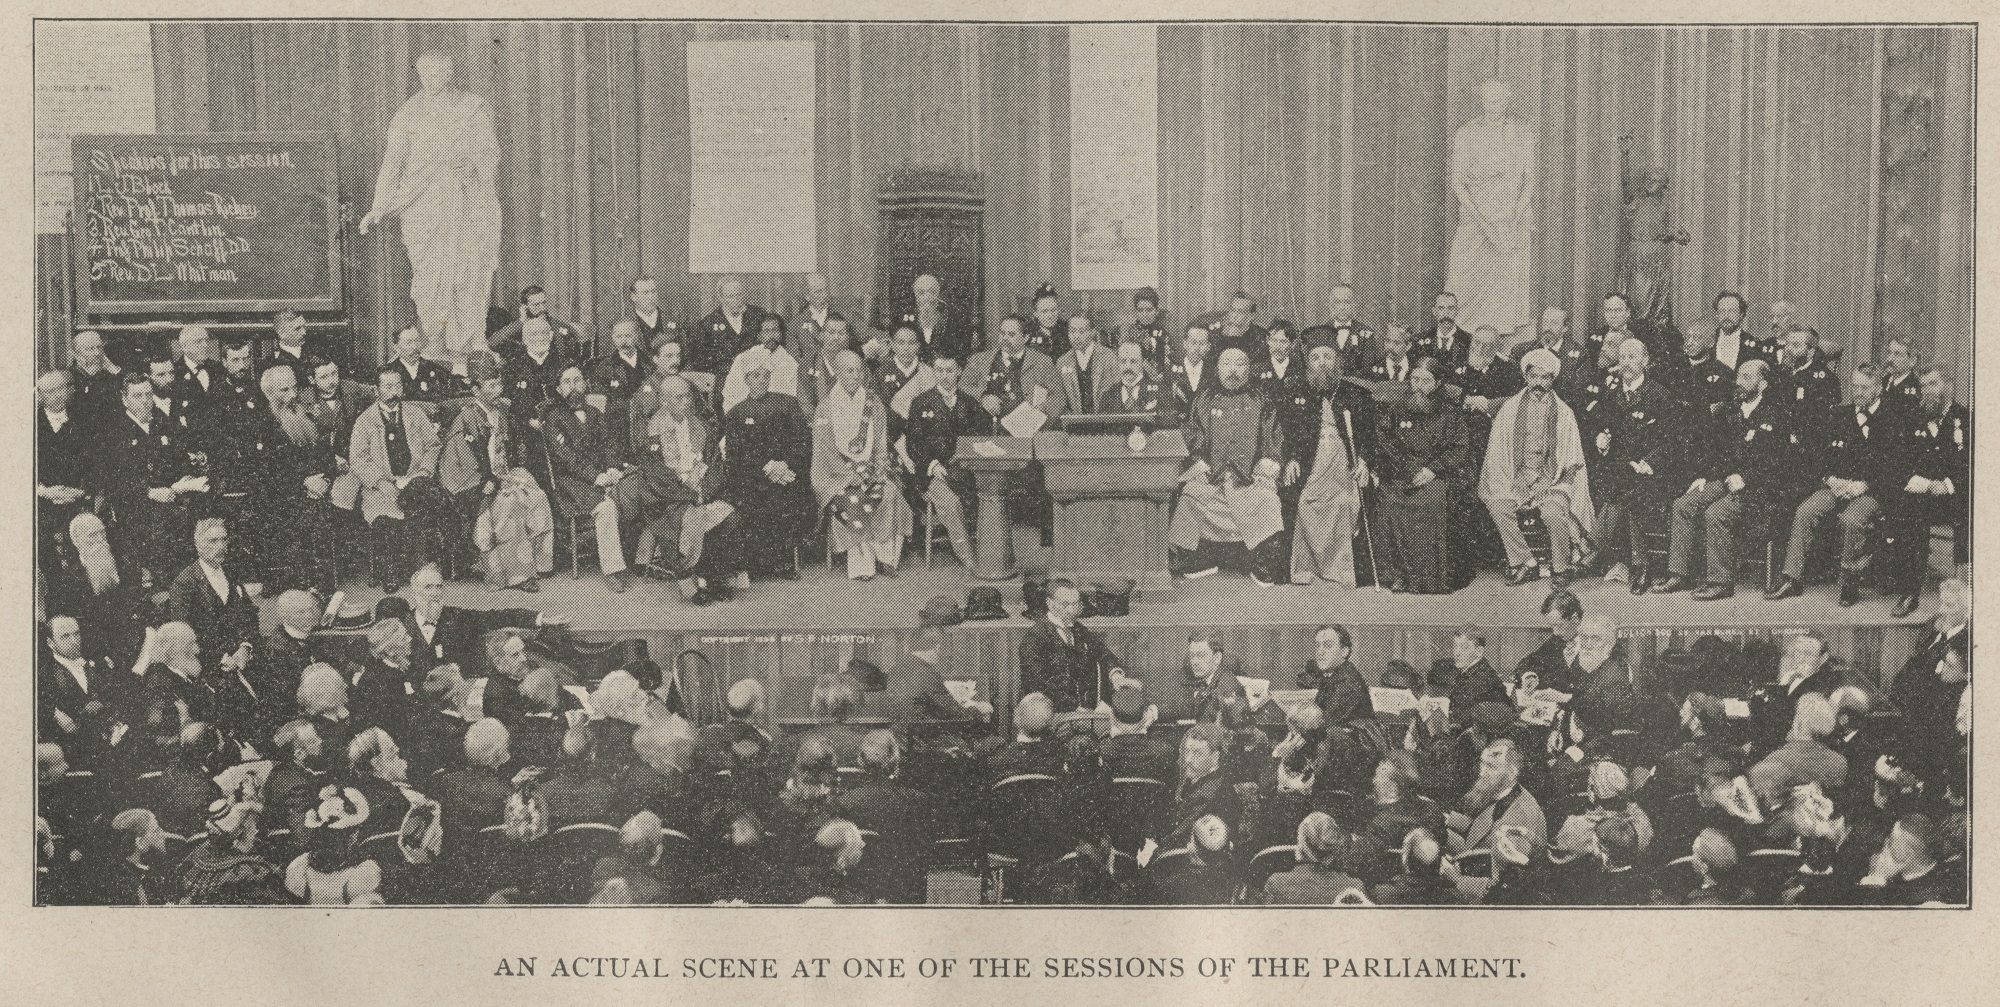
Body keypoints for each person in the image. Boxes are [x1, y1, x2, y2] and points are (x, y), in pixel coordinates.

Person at [358, 49, 502, 361]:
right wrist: (378, 206)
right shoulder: (408, 114)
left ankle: (474, 341)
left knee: (468, 270)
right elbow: (392, 165)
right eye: (425, 75)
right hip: (423, 206)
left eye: (436, 74)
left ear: (449, 74)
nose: (430, 81)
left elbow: (489, 152)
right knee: (430, 277)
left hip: (465, 202)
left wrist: (473, 165)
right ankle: (435, 341)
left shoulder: (472, 107)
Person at [1655, 359, 1793, 601]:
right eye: (1738, 376)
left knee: (1716, 513)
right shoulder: (1728, 412)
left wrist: (1746, 478)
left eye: (1747, 377)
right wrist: (1704, 476)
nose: (1739, 382)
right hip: (1726, 480)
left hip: (1759, 488)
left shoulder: (1776, 416)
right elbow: (1716, 452)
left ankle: (1720, 582)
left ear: (1762, 384)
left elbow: (1777, 463)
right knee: (1683, 505)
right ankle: (1679, 574)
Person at [1771, 365, 1903, 605]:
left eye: (1864, 387)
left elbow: (1894, 467)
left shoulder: (1892, 419)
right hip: (1837, 486)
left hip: (1871, 491)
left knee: (1851, 520)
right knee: (1806, 511)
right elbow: (1821, 456)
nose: (1858, 392)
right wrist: (1829, 479)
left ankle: (1848, 582)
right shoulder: (1839, 415)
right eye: (1855, 386)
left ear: (1878, 389)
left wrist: (1864, 485)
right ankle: (1792, 578)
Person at [613, 374, 745, 604]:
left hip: (701, 492)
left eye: (688, 397)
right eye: (679, 398)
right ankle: (688, 582)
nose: (687, 402)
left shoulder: (701, 427)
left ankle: (715, 577)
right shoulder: (651, 433)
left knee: (730, 516)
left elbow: (716, 465)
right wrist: (692, 495)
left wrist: (704, 491)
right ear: (664, 402)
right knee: (688, 519)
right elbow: (657, 477)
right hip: (666, 498)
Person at [1170, 347, 1287, 586]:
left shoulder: (1261, 400)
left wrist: (1267, 463)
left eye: (1240, 364)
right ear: (1217, 368)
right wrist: (1199, 464)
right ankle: (1198, 559)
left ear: (1248, 369)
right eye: (1226, 364)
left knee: (1268, 500)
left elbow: (1273, 438)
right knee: (1190, 495)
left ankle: (1262, 565)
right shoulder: (1204, 399)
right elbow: (1192, 434)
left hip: (1248, 479)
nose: (1233, 370)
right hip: (1213, 477)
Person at [1479, 347, 1594, 588]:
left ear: (1552, 379)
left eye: (1545, 378)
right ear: (1525, 377)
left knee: (1552, 512)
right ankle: (1525, 561)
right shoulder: (1509, 410)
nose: (1539, 383)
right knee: (1498, 506)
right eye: (1534, 377)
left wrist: (1547, 481)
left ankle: (1561, 567)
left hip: (1554, 479)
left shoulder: (1564, 413)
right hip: (1517, 477)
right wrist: (1517, 478)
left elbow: (1571, 459)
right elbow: (1498, 453)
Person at [442, 352, 555, 592]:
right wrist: (490, 481)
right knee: (508, 503)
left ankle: (539, 564)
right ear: (476, 390)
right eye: (491, 386)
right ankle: (517, 574)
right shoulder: (465, 419)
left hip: (501, 474)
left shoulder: (500, 411)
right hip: (477, 482)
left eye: (499, 384)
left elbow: (509, 450)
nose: (498, 390)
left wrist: (508, 473)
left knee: (538, 497)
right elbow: (458, 463)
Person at [1280, 329, 1377, 586]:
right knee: (1304, 501)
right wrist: (1291, 458)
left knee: (1345, 502)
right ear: (1308, 364)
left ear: (1337, 361)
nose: (1322, 363)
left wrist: (1365, 462)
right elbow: (1286, 433)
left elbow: (1370, 435)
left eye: (1328, 356)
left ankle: (1341, 569)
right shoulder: (1295, 392)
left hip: (1344, 462)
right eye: (1315, 358)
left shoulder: (1356, 394)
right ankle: (1306, 566)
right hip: (1311, 462)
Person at [1586, 338, 1680, 593]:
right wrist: (1601, 440)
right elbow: (1602, 428)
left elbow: (1671, 441)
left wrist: (1650, 462)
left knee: (1631, 489)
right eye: (1622, 358)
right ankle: (1632, 563)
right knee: (1615, 482)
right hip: (1619, 469)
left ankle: (1600, 550)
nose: (1626, 363)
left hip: (1651, 472)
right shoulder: (1610, 395)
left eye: (1632, 357)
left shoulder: (1660, 395)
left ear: (1645, 361)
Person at [99, 371, 207, 586]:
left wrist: (185, 478)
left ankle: (192, 581)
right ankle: (170, 584)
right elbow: (112, 480)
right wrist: (149, 492)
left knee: (200, 509)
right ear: (125, 399)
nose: (144, 401)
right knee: (166, 521)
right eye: (137, 396)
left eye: (148, 394)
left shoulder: (162, 422)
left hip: (172, 494)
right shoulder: (113, 432)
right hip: (135, 502)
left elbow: (180, 458)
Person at [813, 350, 913, 580]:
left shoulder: (873, 402)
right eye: (849, 371)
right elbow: (824, 451)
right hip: (835, 474)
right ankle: (862, 564)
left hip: (869, 468)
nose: (856, 375)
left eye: (859, 370)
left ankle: (886, 557)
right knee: (852, 498)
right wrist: (848, 476)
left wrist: (878, 469)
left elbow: (880, 443)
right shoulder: (825, 407)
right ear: (838, 373)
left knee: (889, 493)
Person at [1446, 79, 1535, 336]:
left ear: (1507, 101)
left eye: (1497, 100)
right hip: (1475, 218)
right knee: (1464, 278)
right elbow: (1457, 183)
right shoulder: (1466, 133)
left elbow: (1529, 180)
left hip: (1510, 220)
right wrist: (1484, 223)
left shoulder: (1522, 132)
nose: (1492, 106)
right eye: (1487, 100)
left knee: (1506, 283)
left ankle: (1501, 336)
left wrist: (1514, 219)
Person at [1374, 357, 1469, 593]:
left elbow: (1459, 448)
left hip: (1439, 474)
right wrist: (1407, 467)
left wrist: (1433, 469)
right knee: (1389, 500)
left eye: (1426, 381)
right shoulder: (1398, 409)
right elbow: (1385, 440)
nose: (1418, 386)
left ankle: (1428, 577)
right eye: (1415, 379)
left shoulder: (1450, 413)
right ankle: (1398, 574)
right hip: (1403, 471)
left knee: (1431, 501)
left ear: (1437, 384)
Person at [348, 364, 446, 592]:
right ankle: (390, 571)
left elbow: (433, 446)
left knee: (422, 515)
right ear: (376, 390)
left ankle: (422, 569)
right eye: (388, 386)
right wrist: (382, 483)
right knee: (386, 522)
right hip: (381, 488)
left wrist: (423, 472)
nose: (394, 391)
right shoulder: (365, 421)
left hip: (415, 481)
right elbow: (358, 459)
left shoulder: (415, 414)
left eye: (398, 385)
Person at [541, 364, 636, 592]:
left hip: (602, 475)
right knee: (606, 507)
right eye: (567, 382)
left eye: (577, 380)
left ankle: (638, 558)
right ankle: (613, 570)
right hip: (572, 483)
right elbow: (567, 459)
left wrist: (612, 468)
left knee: (636, 485)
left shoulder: (595, 413)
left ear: (585, 384)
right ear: (559, 389)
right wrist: (596, 477)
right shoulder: (553, 419)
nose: (573, 387)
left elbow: (610, 445)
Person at [1883, 366, 1968, 617]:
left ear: (1948, 386)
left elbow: (1973, 467)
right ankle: (1910, 591)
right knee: (1909, 510)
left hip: (1957, 496)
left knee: (1970, 514)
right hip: (1923, 495)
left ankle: (1964, 591)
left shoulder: (1966, 419)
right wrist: (1915, 480)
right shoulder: (1914, 418)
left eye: (1932, 384)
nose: (1926, 391)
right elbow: (1899, 460)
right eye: (1923, 386)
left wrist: (1947, 485)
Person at [720, 363, 814, 580]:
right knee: (753, 497)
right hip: (753, 475)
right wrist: (767, 468)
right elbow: (735, 454)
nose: (761, 380)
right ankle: (758, 563)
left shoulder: (787, 404)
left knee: (789, 495)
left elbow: (802, 441)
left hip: (787, 472)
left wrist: (784, 464)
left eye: (765, 375)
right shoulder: (737, 413)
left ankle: (784, 561)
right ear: (746, 380)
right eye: (755, 375)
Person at [903, 353, 984, 567]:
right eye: (939, 370)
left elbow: (979, 439)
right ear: (934, 371)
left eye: (949, 370)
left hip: (965, 471)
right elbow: (913, 445)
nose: (944, 376)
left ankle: (990, 552)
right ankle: (969, 558)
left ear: (959, 371)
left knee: (989, 497)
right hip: (932, 474)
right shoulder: (921, 403)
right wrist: (932, 465)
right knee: (951, 503)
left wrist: (967, 462)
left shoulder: (970, 403)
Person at [164, 518, 259, 675]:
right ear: (198, 545)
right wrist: (221, 658)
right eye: (213, 541)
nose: (221, 546)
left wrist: (245, 647)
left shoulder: (231, 573)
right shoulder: (184, 583)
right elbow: (183, 635)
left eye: (224, 540)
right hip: (208, 668)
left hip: (243, 661)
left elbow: (249, 615)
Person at [1018, 579, 1124, 713]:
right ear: (1050, 603)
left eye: (1076, 604)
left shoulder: (1079, 630)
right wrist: (1074, 708)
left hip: (1085, 712)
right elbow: (1037, 683)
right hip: (1050, 714)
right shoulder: (1034, 637)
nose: (1072, 610)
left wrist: (1115, 674)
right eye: (1065, 604)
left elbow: (1103, 653)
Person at [1446, 738, 1545, 854]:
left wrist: (1442, 834)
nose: (1481, 773)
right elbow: (1481, 825)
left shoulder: (1521, 815)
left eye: (1491, 766)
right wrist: (1446, 819)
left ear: (1511, 773)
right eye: (1482, 763)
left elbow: (1483, 857)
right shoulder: (1503, 792)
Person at [961, 314, 1061, 428]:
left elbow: (1058, 396)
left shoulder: (1042, 361)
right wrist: (982, 397)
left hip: (1027, 431)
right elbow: (962, 387)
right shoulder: (979, 360)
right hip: (987, 429)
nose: (1005, 338)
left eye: (1011, 334)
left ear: (1025, 338)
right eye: (1002, 333)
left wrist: (1040, 415)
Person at [588, 319, 654, 459]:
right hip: (620, 425)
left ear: (636, 336)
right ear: (613, 338)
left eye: (628, 336)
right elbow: (601, 403)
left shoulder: (649, 363)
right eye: (619, 336)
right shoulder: (604, 368)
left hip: (649, 419)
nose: (623, 341)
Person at [1510, 307, 1598, 406]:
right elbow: (1513, 388)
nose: (1548, 328)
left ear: (1565, 328)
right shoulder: (1522, 351)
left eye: (1554, 323)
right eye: (1545, 322)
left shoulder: (1580, 355)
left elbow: (1579, 393)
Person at [722, 314, 805, 416]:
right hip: (747, 415)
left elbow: (791, 398)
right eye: (766, 331)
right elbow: (731, 393)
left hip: (778, 417)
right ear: (759, 335)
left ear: (781, 334)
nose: (771, 336)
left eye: (775, 330)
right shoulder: (744, 358)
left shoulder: (790, 363)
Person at [689, 275, 770, 380]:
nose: (736, 300)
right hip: (724, 379)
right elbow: (699, 360)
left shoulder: (759, 315)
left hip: (758, 377)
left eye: (739, 295)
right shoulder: (708, 323)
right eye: (731, 296)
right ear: (721, 298)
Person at [489, 285, 584, 361]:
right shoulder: (518, 327)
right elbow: (493, 343)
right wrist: (521, 321)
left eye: (544, 303)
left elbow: (571, 352)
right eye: (536, 305)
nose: (542, 308)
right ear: (525, 307)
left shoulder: (557, 325)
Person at [1055, 314, 1118, 416]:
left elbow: (1118, 392)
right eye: (1072, 331)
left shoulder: (1108, 357)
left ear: (1092, 332)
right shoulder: (1062, 361)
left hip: (1105, 421)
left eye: (1081, 332)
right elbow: (1059, 398)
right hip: (1075, 422)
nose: (1076, 336)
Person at [1098, 337, 1171, 423]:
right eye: (1123, 361)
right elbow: (1101, 429)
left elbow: (1170, 424)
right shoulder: (1108, 396)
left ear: (1143, 362)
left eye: (1133, 361)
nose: (1128, 367)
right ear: (1118, 363)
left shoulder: (1161, 391)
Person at [872, 324, 934, 422]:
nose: (906, 348)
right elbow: (876, 409)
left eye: (911, 343)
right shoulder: (880, 373)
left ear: (918, 346)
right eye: (901, 342)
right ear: (892, 345)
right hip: (888, 428)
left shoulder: (928, 373)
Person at [1166, 325, 1214, 423]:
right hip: (1176, 426)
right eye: (1193, 342)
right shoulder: (1169, 372)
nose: (1197, 348)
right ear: (1185, 344)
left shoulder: (1213, 373)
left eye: (1202, 343)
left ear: (1208, 347)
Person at [1120, 286, 1172, 370]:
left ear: (1156, 311)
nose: (1144, 314)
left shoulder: (1163, 335)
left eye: (1149, 310)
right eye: (1140, 310)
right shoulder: (1128, 334)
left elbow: (1167, 364)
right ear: (1135, 312)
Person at [1415, 292, 1467, 364]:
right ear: (1434, 311)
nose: (1446, 313)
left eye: (1451, 308)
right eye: (1441, 308)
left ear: (1457, 311)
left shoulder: (1468, 341)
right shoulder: (1419, 340)